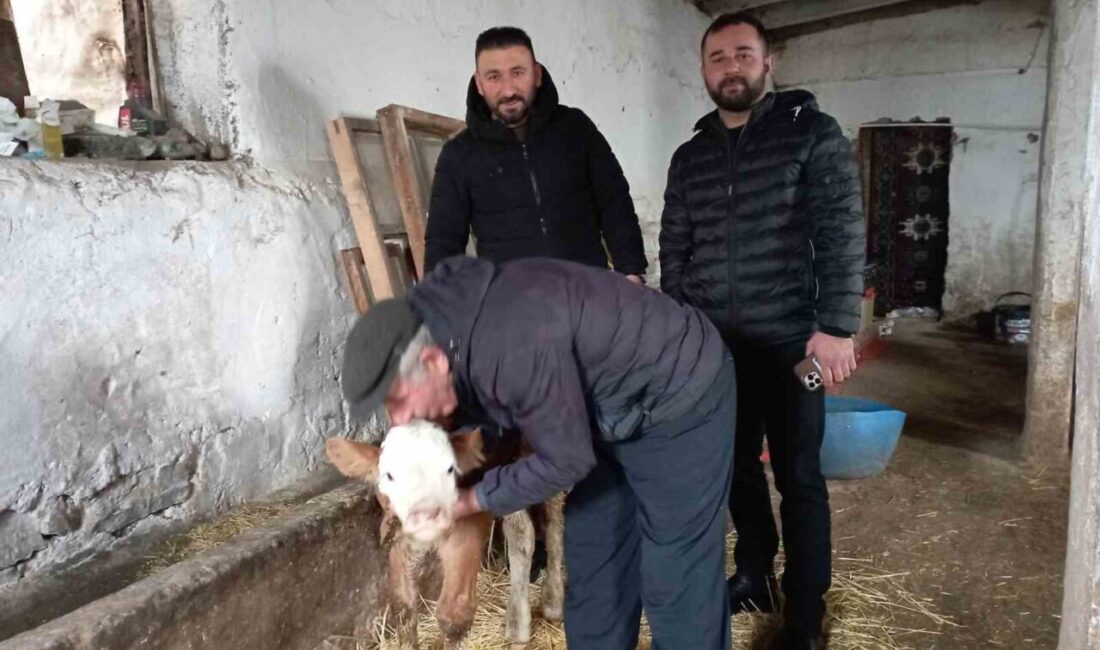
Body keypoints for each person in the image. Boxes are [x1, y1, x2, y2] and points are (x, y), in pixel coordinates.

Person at [341, 256, 735, 649]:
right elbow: (477, 404)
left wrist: (471, 500)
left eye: (399, 401)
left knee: (677, 576)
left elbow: (566, 459)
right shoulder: (431, 319)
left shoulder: (513, 347)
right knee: (595, 552)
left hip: (679, 394)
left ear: (431, 362)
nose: (399, 419)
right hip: (606, 410)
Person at [659, 11, 866, 649]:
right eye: (718, 57)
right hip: (715, 350)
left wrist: (836, 326)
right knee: (734, 467)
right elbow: (675, 248)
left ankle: (805, 611)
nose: (731, 67)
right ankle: (755, 575)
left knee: (799, 474)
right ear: (703, 69)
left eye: (743, 54)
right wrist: (680, 329)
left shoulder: (811, 133)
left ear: (768, 63)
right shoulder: (690, 156)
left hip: (796, 345)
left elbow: (840, 228)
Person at [425, 26, 646, 284]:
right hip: (512, 301)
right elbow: (443, 240)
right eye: (494, 77)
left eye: (518, 73)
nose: (508, 90)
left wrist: (631, 272)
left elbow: (614, 202)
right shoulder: (460, 155)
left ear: (537, 74)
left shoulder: (575, 129)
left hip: (589, 291)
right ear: (479, 84)